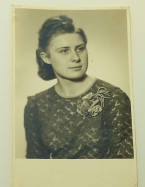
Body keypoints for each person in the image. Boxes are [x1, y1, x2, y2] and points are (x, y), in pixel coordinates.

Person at [24, 15, 134, 159]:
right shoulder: (36, 105)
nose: (75, 57)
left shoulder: (113, 97)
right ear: (46, 57)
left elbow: (124, 166)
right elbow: (34, 167)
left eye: (80, 49)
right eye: (64, 50)